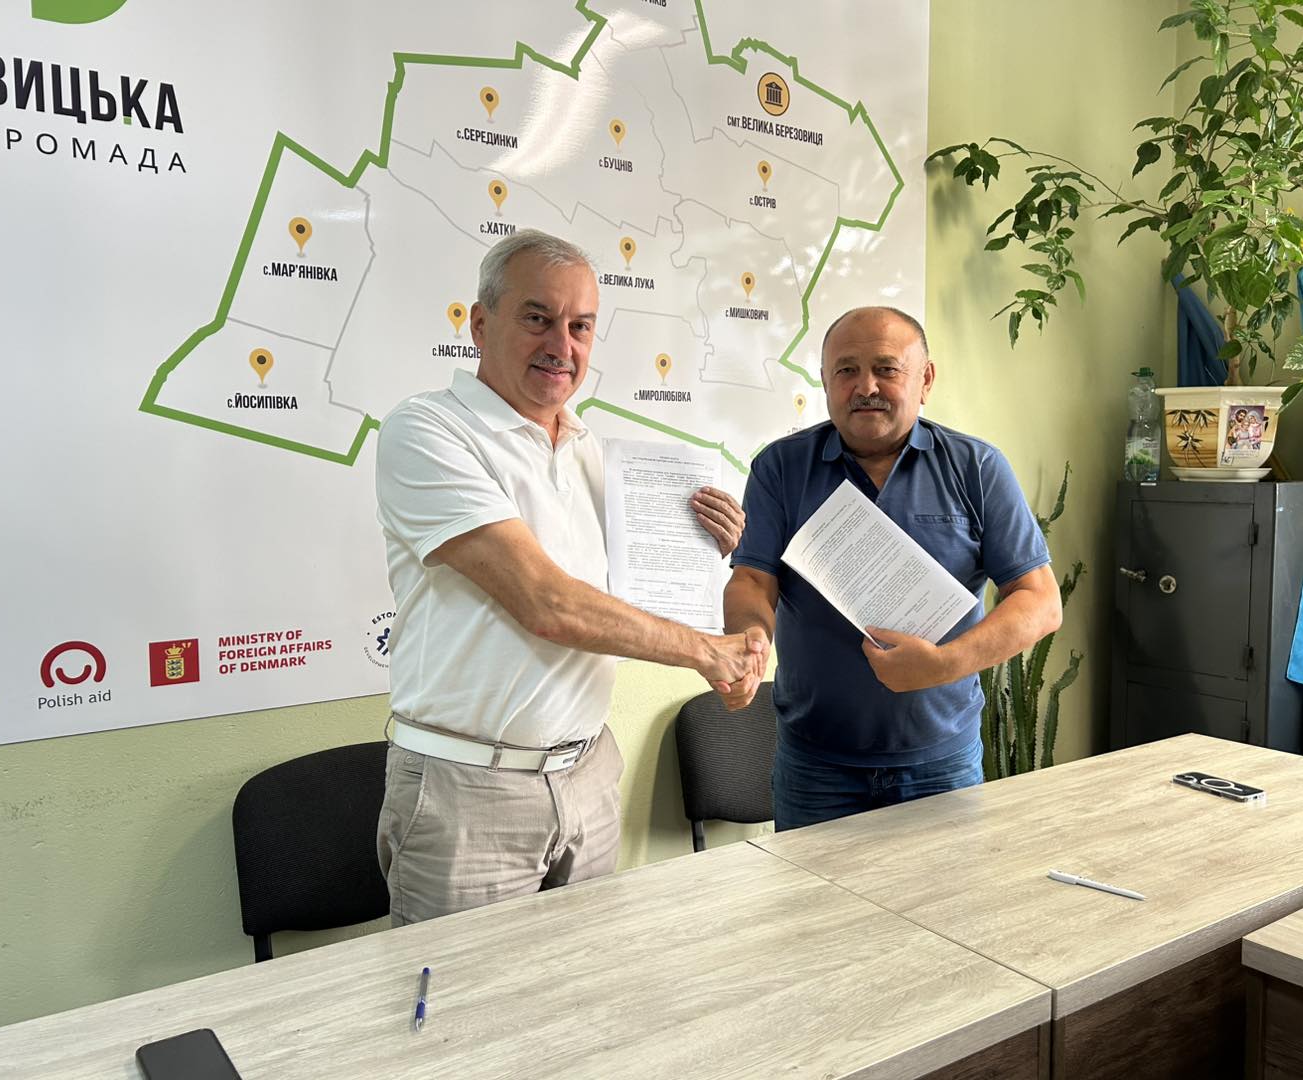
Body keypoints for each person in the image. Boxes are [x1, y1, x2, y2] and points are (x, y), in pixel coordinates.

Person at [374, 229, 764, 924]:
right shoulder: (428, 430)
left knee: (585, 984)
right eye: (538, 318)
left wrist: (709, 550)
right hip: (470, 790)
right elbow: (547, 604)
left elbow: (624, 602)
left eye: (581, 325)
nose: (562, 344)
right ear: (480, 323)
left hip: (588, 776)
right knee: (469, 995)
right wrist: (709, 654)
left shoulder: (593, 454)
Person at [721, 306, 1062, 830]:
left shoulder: (977, 467)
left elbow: (1040, 601)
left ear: (925, 380)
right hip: (816, 766)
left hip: (941, 764)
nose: (866, 387)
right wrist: (749, 639)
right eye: (847, 370)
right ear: (825, 381)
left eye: (886, 369)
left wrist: (943, 664)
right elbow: (751, 580)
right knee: (812, 890)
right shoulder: (781, 467)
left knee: (944, 887)